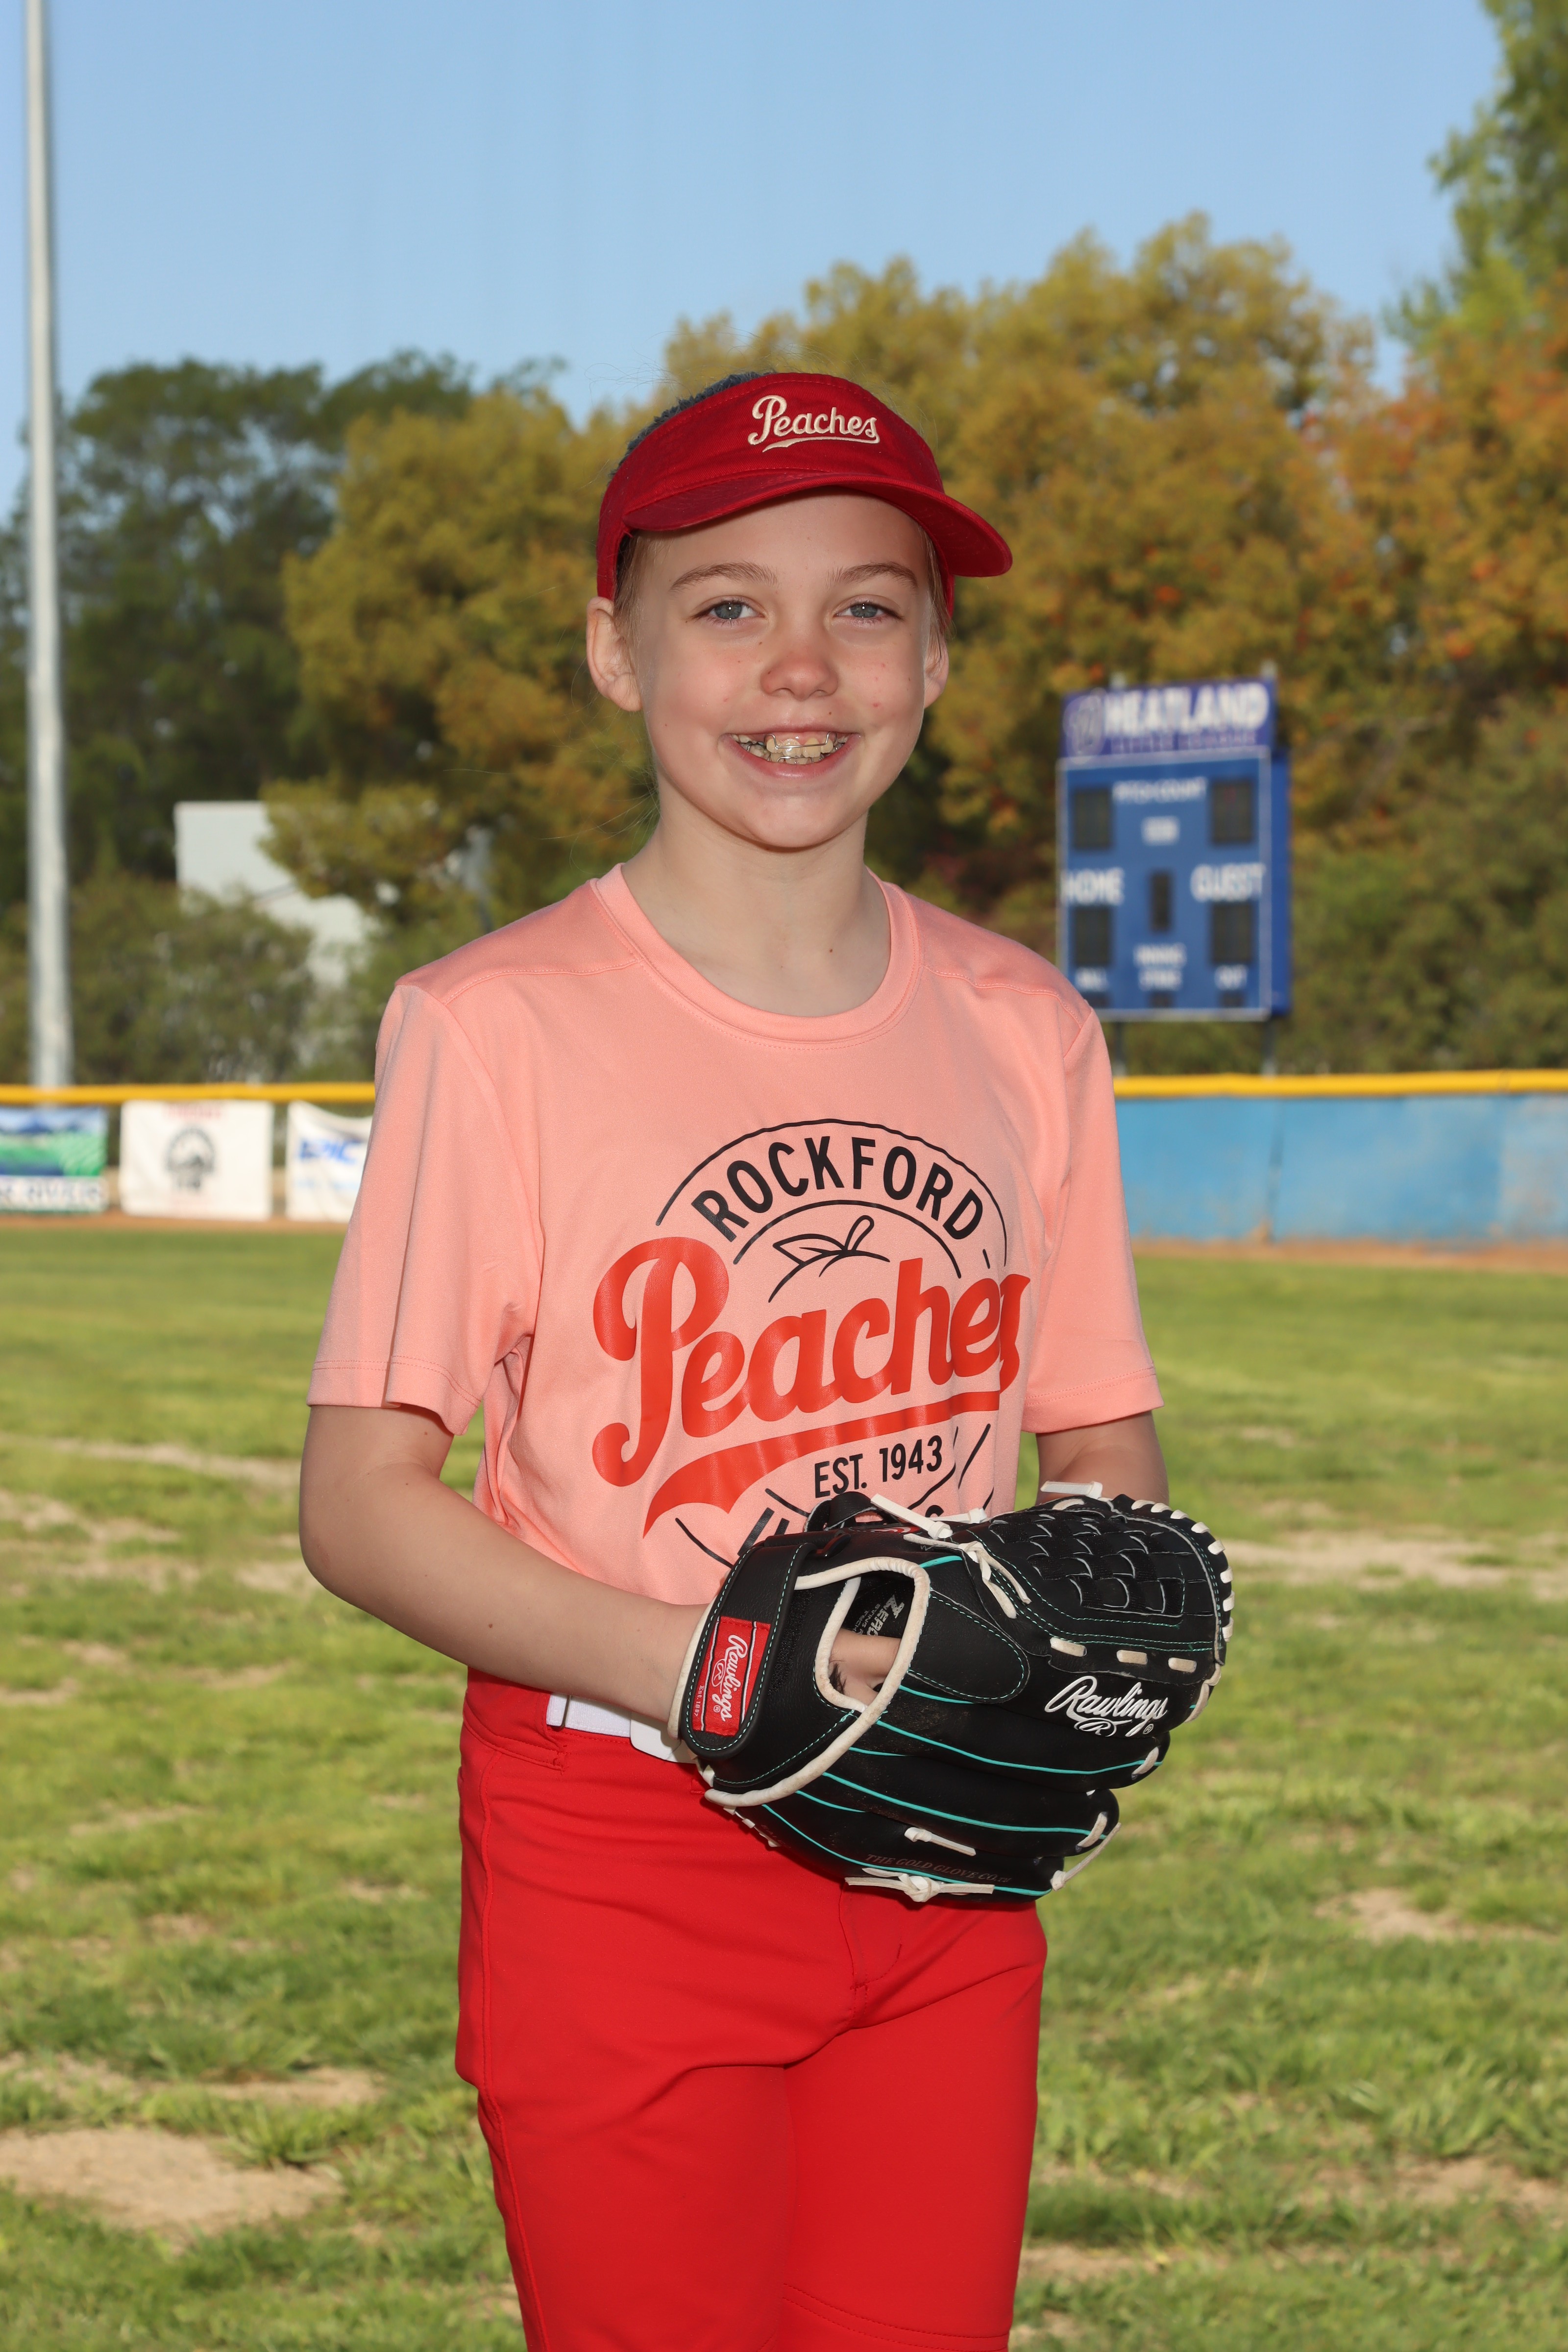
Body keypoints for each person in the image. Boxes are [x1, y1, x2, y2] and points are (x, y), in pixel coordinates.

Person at [299, 370, 1166, 2352]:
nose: (800, 665)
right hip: (624, 1839)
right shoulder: (497, 1023)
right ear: (616, 652)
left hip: (936, 1835)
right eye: (724, 606)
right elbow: (359, 1503)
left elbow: (1097, 1429)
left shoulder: (1023, 1025)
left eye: (866, 606)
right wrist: (718, 1667)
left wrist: (1075, 1624)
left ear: (934, 660)